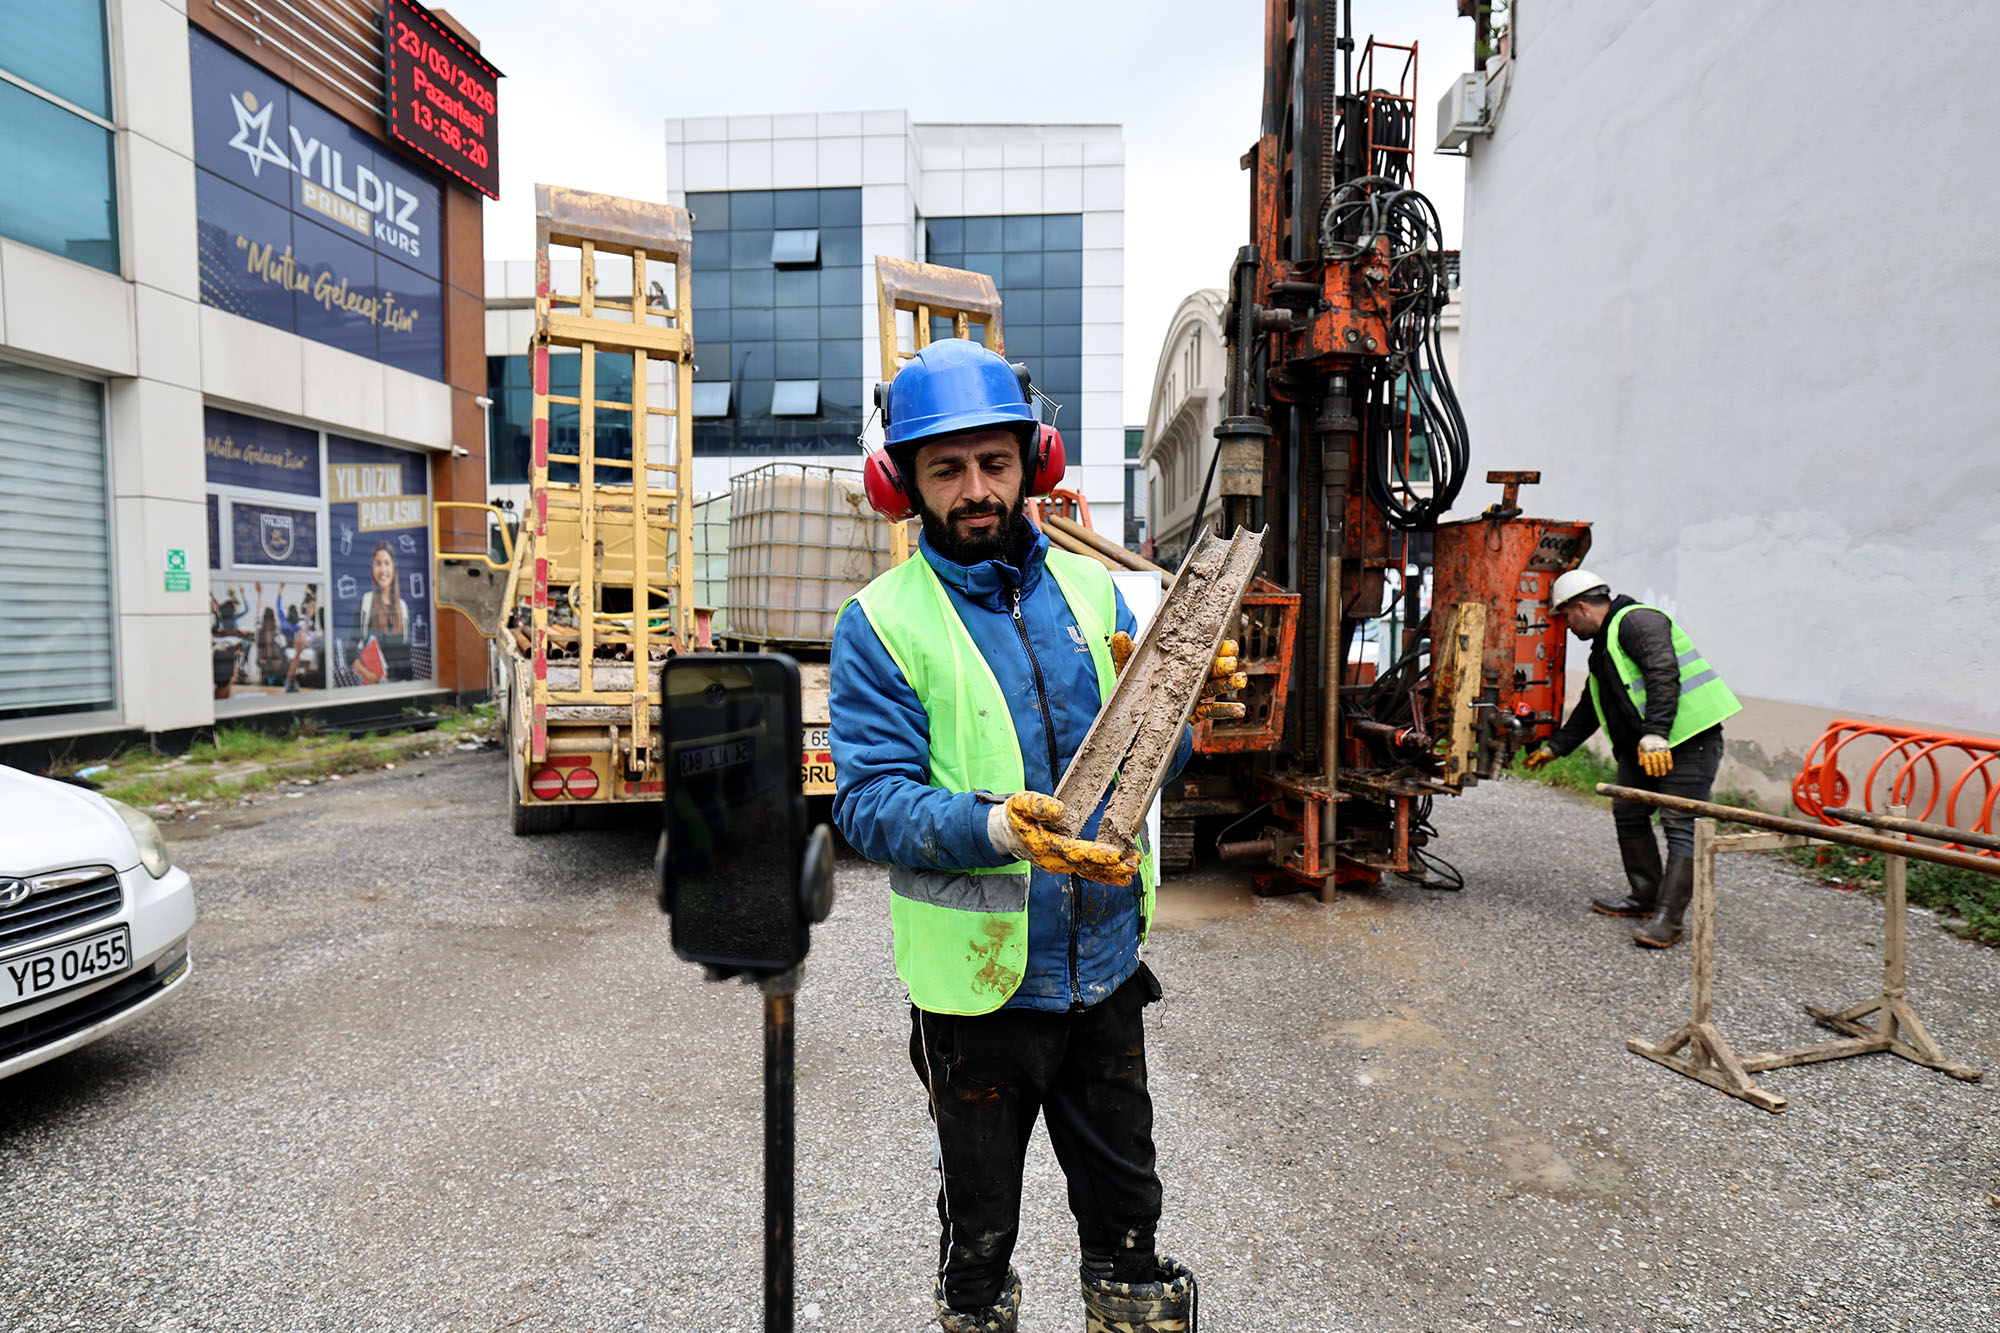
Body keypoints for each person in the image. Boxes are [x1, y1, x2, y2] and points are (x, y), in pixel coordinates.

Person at [830, 339, 1239, 1333]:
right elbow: (867, 803)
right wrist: (994, 827)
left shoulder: (1101, 596)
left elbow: (1143, 767)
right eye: (945, 468)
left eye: (993, 463)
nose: (974, 489)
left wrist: (1184, 715)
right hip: (977, 991)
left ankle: (1129, 1304)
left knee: (1128, 1218)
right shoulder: (881, 624)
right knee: (976, 1233)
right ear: (905, 482)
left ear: (1032, 462)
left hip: (1100, 971)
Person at [1524, 569, 1742, 948]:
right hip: (1645, 746)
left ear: (1580, 607)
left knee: (1680, 824)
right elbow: (1593, 706)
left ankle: (1668, 921)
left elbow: (1663, 674)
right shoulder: (1603, 648)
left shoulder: (1637, 621)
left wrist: (1657, 732)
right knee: (1628, 811)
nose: (1566, 627)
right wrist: (1555, 747)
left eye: (1565, 618)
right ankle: (1645, 896)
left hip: (1688, 739)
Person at [348, 543, 412, 684]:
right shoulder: (365, 603)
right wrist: (366, 674)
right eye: (378, 564)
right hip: (374, 687)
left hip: (401, 687)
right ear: (372, 568)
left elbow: (408, 654)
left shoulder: (403, 608)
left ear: (394, 568)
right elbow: (351, 651)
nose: (383, 569)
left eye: (387, 563)